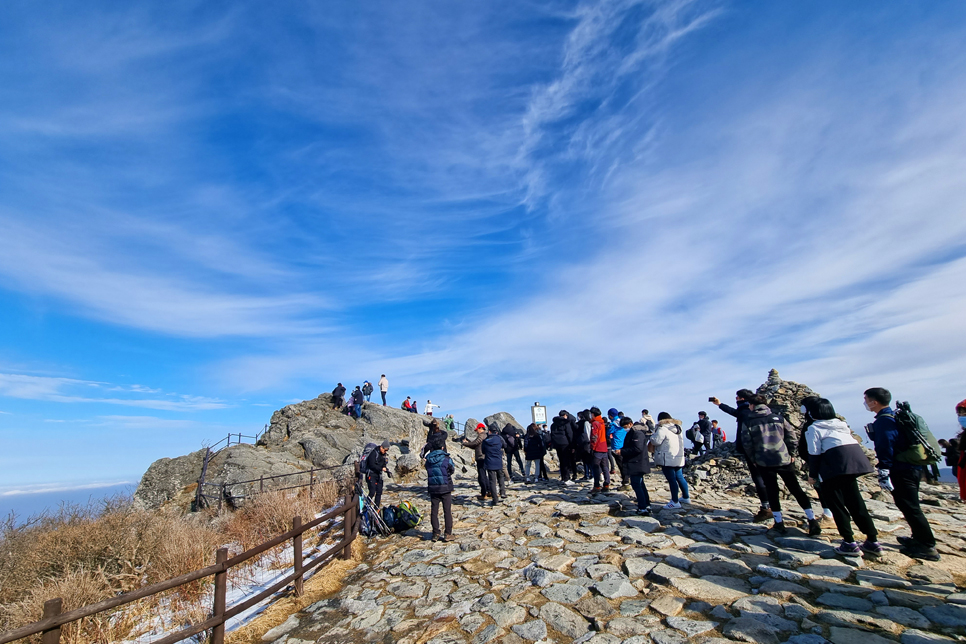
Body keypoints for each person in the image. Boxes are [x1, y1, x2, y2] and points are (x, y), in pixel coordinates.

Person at [864, 387, 939, 560]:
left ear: (874, 401)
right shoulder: (896, 417)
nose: (865, 403)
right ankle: (918, 538)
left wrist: (884, 468)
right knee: (909, 505)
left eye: (866, 399)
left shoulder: (884, 421)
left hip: (901, 469)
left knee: (910, 506)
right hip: (912, 467)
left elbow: (886, 445)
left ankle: (927, 545)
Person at [802, 397, 879, 556]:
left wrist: (813, 475)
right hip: (855, 463)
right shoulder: (840, 424)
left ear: (811, 412)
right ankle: (872, 540)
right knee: (856, 502)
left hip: (833, 467)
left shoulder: (813, 428)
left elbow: (814, 453)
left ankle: (849, 543)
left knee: (836, 504)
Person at [737, 394, 817, 535]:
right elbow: (791, 436)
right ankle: (812, 519)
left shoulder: (749, 421)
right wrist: (791, 453)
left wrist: (753, 459)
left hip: (763, 461)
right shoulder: (778, 418)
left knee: (772, 490)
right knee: (795, 488)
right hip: (783, 458)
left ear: (752, 405)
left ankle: (779, 522)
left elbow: (747, 443)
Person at [712, 391, 773, 522]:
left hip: (754, 450)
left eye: (737, 397)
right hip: (768, 449)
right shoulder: (749, 411)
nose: (735, 398)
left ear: (744, 399)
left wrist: (750, 450)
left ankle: (767, 508)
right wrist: (720, 404)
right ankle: (771, 507)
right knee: (765, 478)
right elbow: (734, 412)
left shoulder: (745, 412)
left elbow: (748, 431)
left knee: (759, 478)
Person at [649, 412, 689, 508]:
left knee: (671, 479)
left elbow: (656, 441)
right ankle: (686, 497)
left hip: (667, 457)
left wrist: (652, 436)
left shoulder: (663, 428)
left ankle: (675, 502)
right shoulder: (678, 428)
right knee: (679, 477)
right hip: (678, 457)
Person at [619, 417, 652, 514]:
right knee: (641, 484)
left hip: (637, 463)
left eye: (625, 426)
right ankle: (646, 505)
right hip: (637, 462)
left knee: (636, 484)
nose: (625, 429)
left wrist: (622, 451)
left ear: (630, 424)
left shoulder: (637, 433)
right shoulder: (634, 432)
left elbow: (637, 449)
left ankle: (643, 507)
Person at [425, 446, 455, 542]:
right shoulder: (446, 458)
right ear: (442, 447)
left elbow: (427, 469)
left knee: (434, 511)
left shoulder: (428, 459)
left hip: (433, 487)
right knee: (447, 511)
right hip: (445, 487)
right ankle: (448, 533)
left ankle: (435, 533)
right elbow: (452, 469)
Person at [461, 423, 490, 501]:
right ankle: (489, 491)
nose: (476, 431)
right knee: (484, 474)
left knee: (481, 476)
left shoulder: (482, 435)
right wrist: (468, 443)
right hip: (484, 457)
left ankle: (484, 494)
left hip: (481, 457)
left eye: (477, 430)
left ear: (481, 428)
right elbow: (475, 444)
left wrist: (465, 443)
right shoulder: (485, 435)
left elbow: (475, 443)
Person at [482, 427, 508, 505]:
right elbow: (505, 445)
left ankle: (495, 499)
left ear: (489, 432)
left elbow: (483, 451)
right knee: (501, 477)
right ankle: (503, 492)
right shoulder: (499, 439)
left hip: (489, 462)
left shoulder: (485, 441)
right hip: (498, 461)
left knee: (492, 481)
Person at [550, 411, 576, 485]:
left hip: (557, 444)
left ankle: (563, 477)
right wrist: (572, 445)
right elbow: (569, 434)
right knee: (566, 462)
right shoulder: (566, 423)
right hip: (565, 444)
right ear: (565, 415)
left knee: (561, 461)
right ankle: (567, 479)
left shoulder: (553, 425)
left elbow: (552, 435)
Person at [589, 407, 610, 493]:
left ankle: (597, 486)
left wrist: (592, 447)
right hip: (604, 447)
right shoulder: (602, 423)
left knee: (596, 467)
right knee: (605, 466)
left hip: (597, 448)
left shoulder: (595, 423)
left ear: (593, 414)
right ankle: (606, 484)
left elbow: (594, 437)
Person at [608, 410, 630, 488]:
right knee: (625, 463)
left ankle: (625, 482)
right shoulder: (622, 421)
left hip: (616, 446)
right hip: (625, 445)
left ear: (610, 416)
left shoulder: (613, 424)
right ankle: (627, 479)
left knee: (621, 465)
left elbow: (608, 433)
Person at [365, 440, 390, 508]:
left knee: (379, 492)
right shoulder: (373, 453)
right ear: (381, 447)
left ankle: (376, 507)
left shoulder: (383, 455)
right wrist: (381, 468)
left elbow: (384, 463)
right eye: (385, 450)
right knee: (372, 491)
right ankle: (366, 506)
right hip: (371, 474)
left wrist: (385, 468)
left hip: (379, 475)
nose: (385, 452)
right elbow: (371, 465)